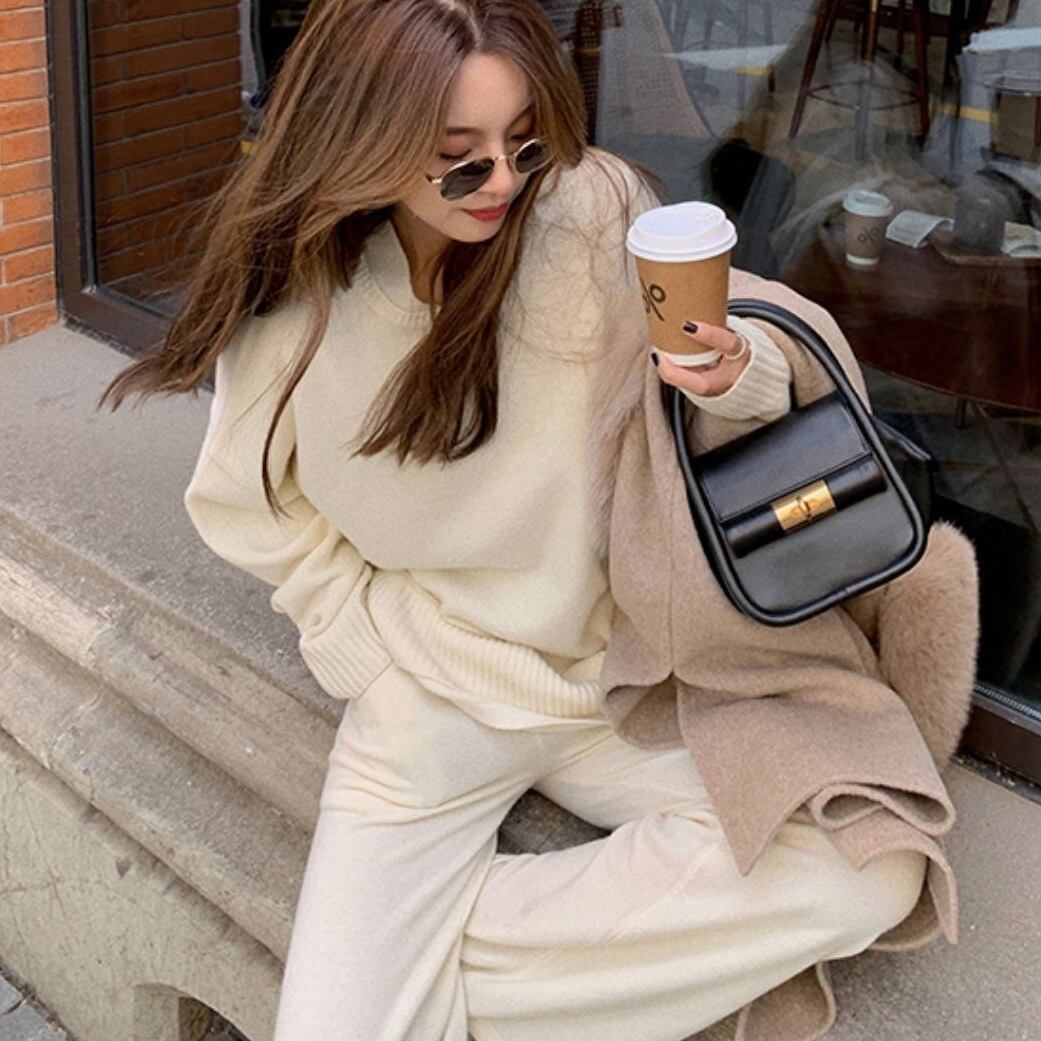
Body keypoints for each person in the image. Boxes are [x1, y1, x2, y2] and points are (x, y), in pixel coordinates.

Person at [98, 1, 925, 1038]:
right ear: (364, 139)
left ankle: (428, 966)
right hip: (430, 694)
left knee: (870, 865)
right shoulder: (300, 298)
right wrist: (357, 640)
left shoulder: (588, 210)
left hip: (622, 680)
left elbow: (712, 387)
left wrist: (733, 371)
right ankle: (404, 977)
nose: (500, 181)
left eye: (522, 143)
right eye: (459, 159)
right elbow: (245, 498)